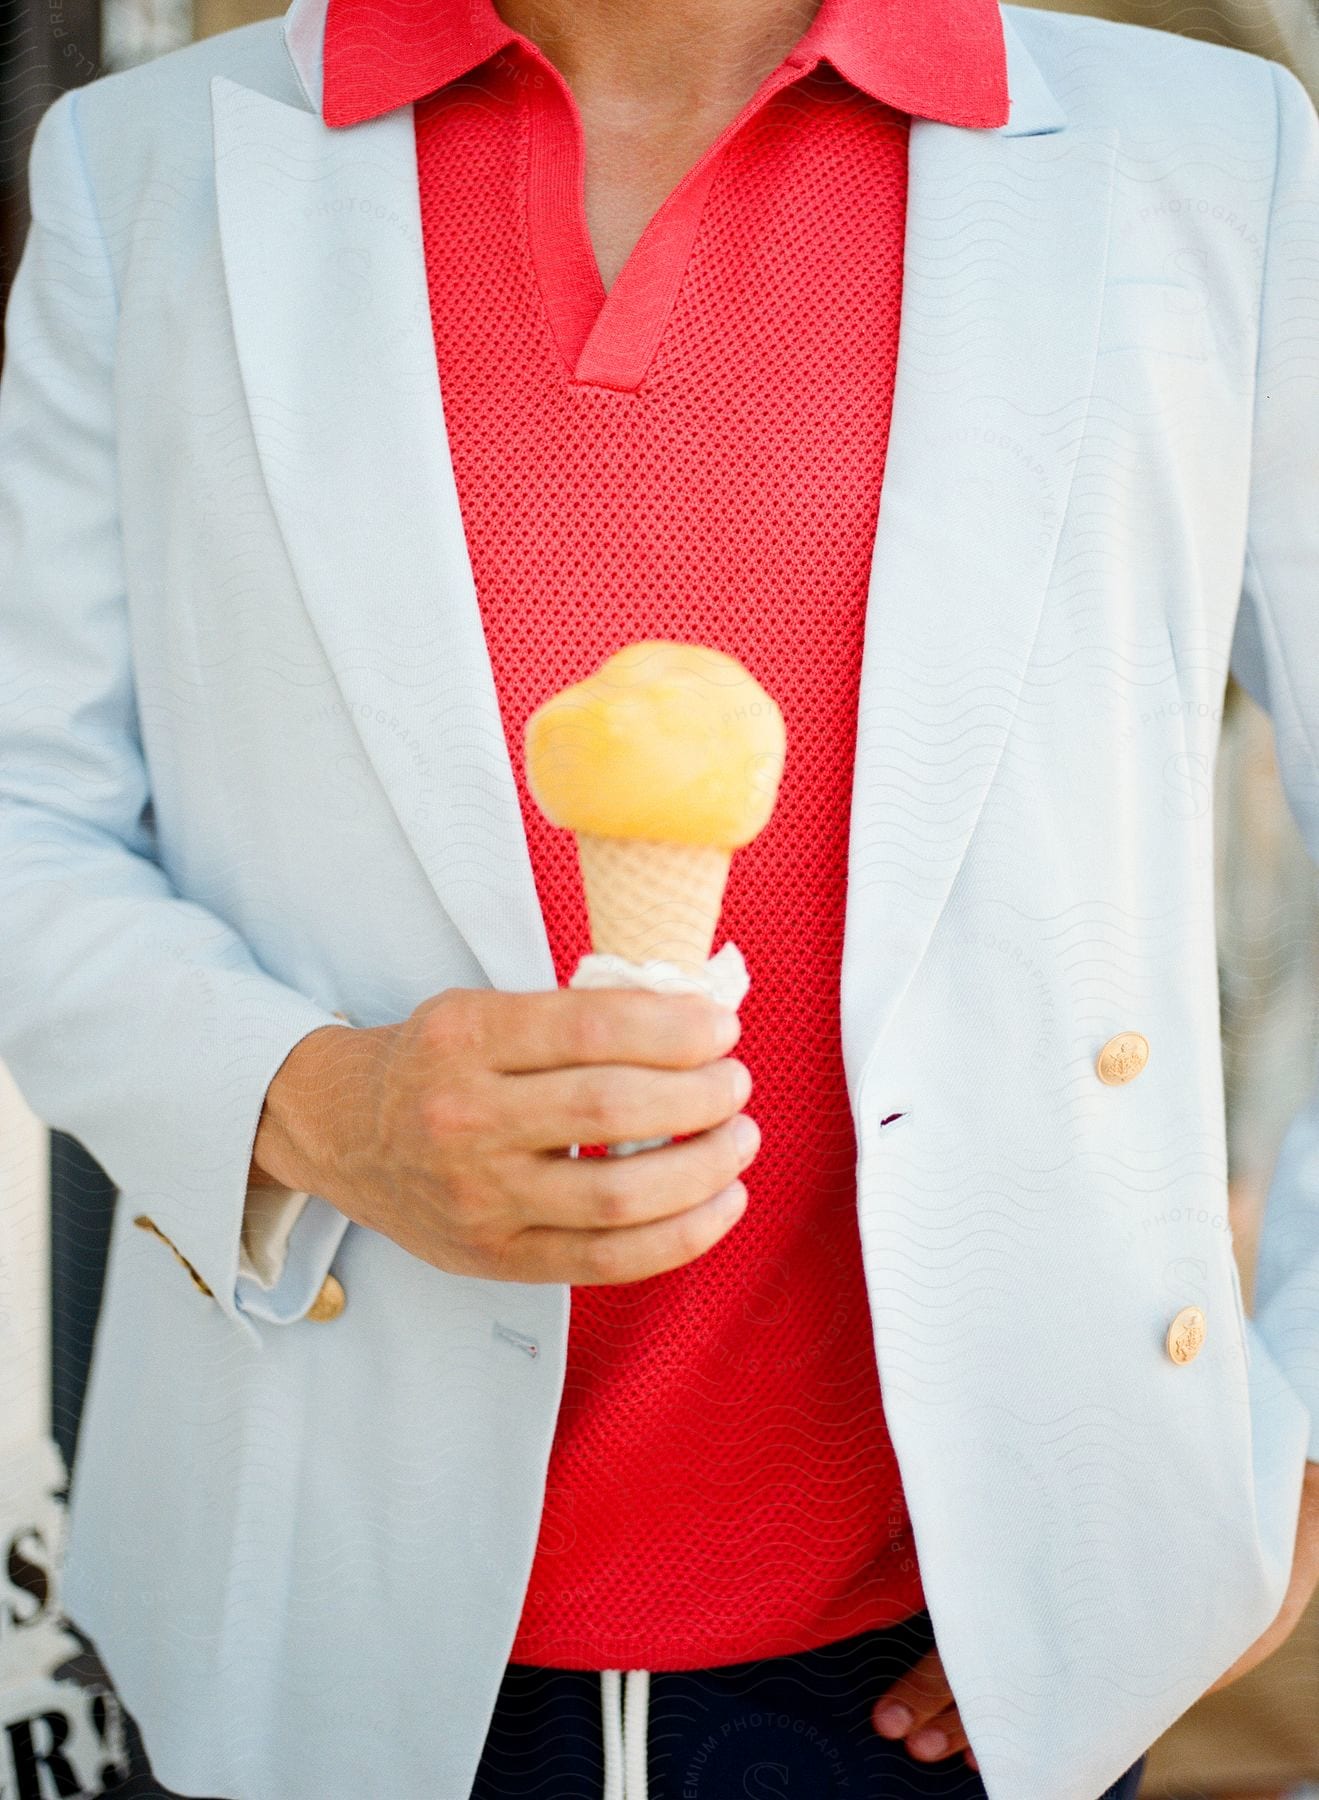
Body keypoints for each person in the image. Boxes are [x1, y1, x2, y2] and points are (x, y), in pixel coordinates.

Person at [1, 0, 1317, 1792]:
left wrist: (1305, 1440)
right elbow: (27, 811)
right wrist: (319, 1107)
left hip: (988, 1634)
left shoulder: (1217, 160)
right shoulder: (143, 169)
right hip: (308, 1599)